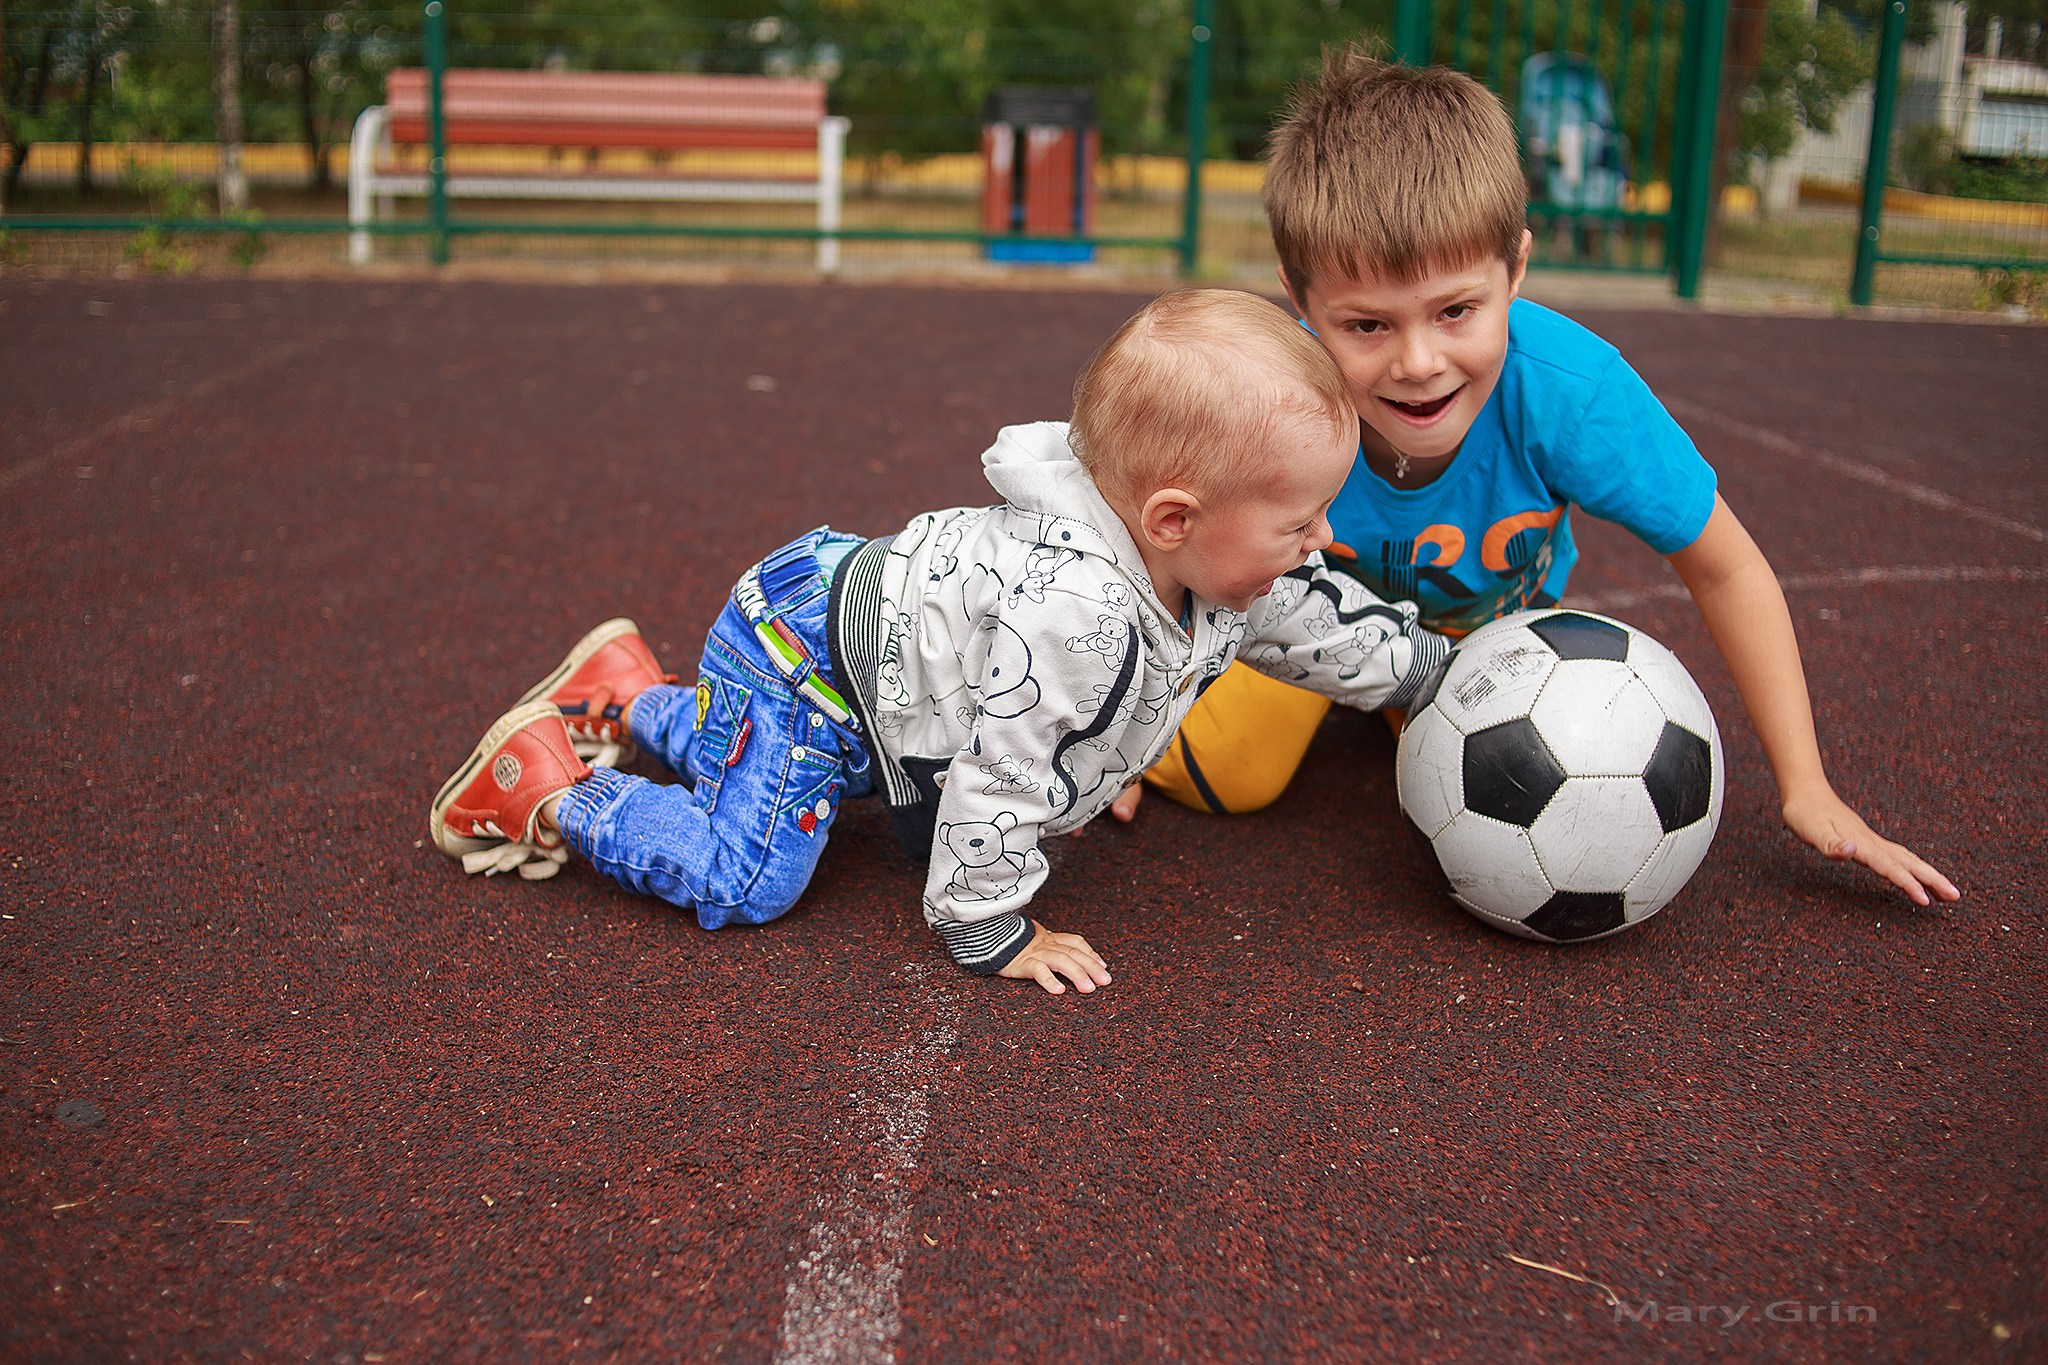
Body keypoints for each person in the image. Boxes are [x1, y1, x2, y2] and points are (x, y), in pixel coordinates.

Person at [428, 289, 1450, 994]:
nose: (1324, 539)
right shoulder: (1079, 618)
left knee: (845, 798)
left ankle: (638, 693)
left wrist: (1421, 671)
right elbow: (1002, 779)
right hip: (803, 663)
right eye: (1299, 521)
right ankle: (548, 788)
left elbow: (1310, 620)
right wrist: (988, 928)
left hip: (852, 656)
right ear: (1174, 520)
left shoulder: (1215, 561)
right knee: (749, 878)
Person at [1118, 51, 1958, 908]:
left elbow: (1727, 563)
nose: (1418, 361)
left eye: (1456, 311)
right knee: (1238, 774)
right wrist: (1115, 721)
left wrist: (1804, 784)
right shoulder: (1272, 393)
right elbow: (1152, 529)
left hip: (1492, 651)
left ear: (1514, 269)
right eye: (1367, 323)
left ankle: (1403, 707)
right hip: (1312, 629)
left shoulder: (1572, 391)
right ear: (1299, 297)